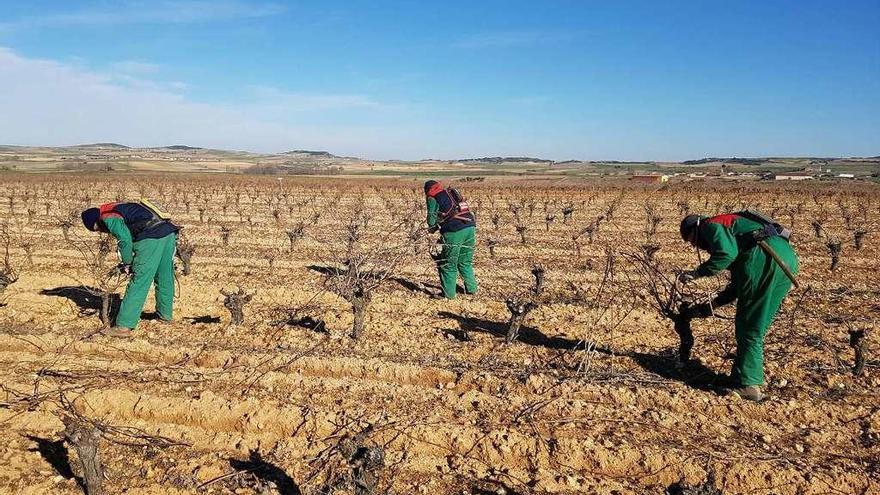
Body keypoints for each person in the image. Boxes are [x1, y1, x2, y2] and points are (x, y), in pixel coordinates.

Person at [678, 211, 798, 401]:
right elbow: (736, 287)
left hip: (764, 260)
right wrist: (712, 305)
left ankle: (750, 385)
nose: (694, 245)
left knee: (749, 328)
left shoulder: (710, 225)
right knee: (755, 325)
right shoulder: (739, 235)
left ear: (695, 228)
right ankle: (740, 378)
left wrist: (696, 273)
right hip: (785, 261)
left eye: (692, 240)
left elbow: (726, 254)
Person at [81, 201, 179, 337]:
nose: (101, 231)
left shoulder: (108, 217)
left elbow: (125, 239)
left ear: (95, 221)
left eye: (96, 228)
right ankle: (165, 315)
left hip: (151, 236)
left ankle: (123, 326)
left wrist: (127, 263)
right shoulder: (117, 207)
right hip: (168, 233)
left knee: (139, 280)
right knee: (164, 276)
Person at [424, 180, 477, 299]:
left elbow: (431, 219)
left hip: (454, 231)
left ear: (427, 190)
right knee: (465, 261)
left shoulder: (432, 197)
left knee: (448, 263)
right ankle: (472, 289)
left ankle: (448, 294)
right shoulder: (450, 192)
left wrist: (432, 228)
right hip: (470, 227)